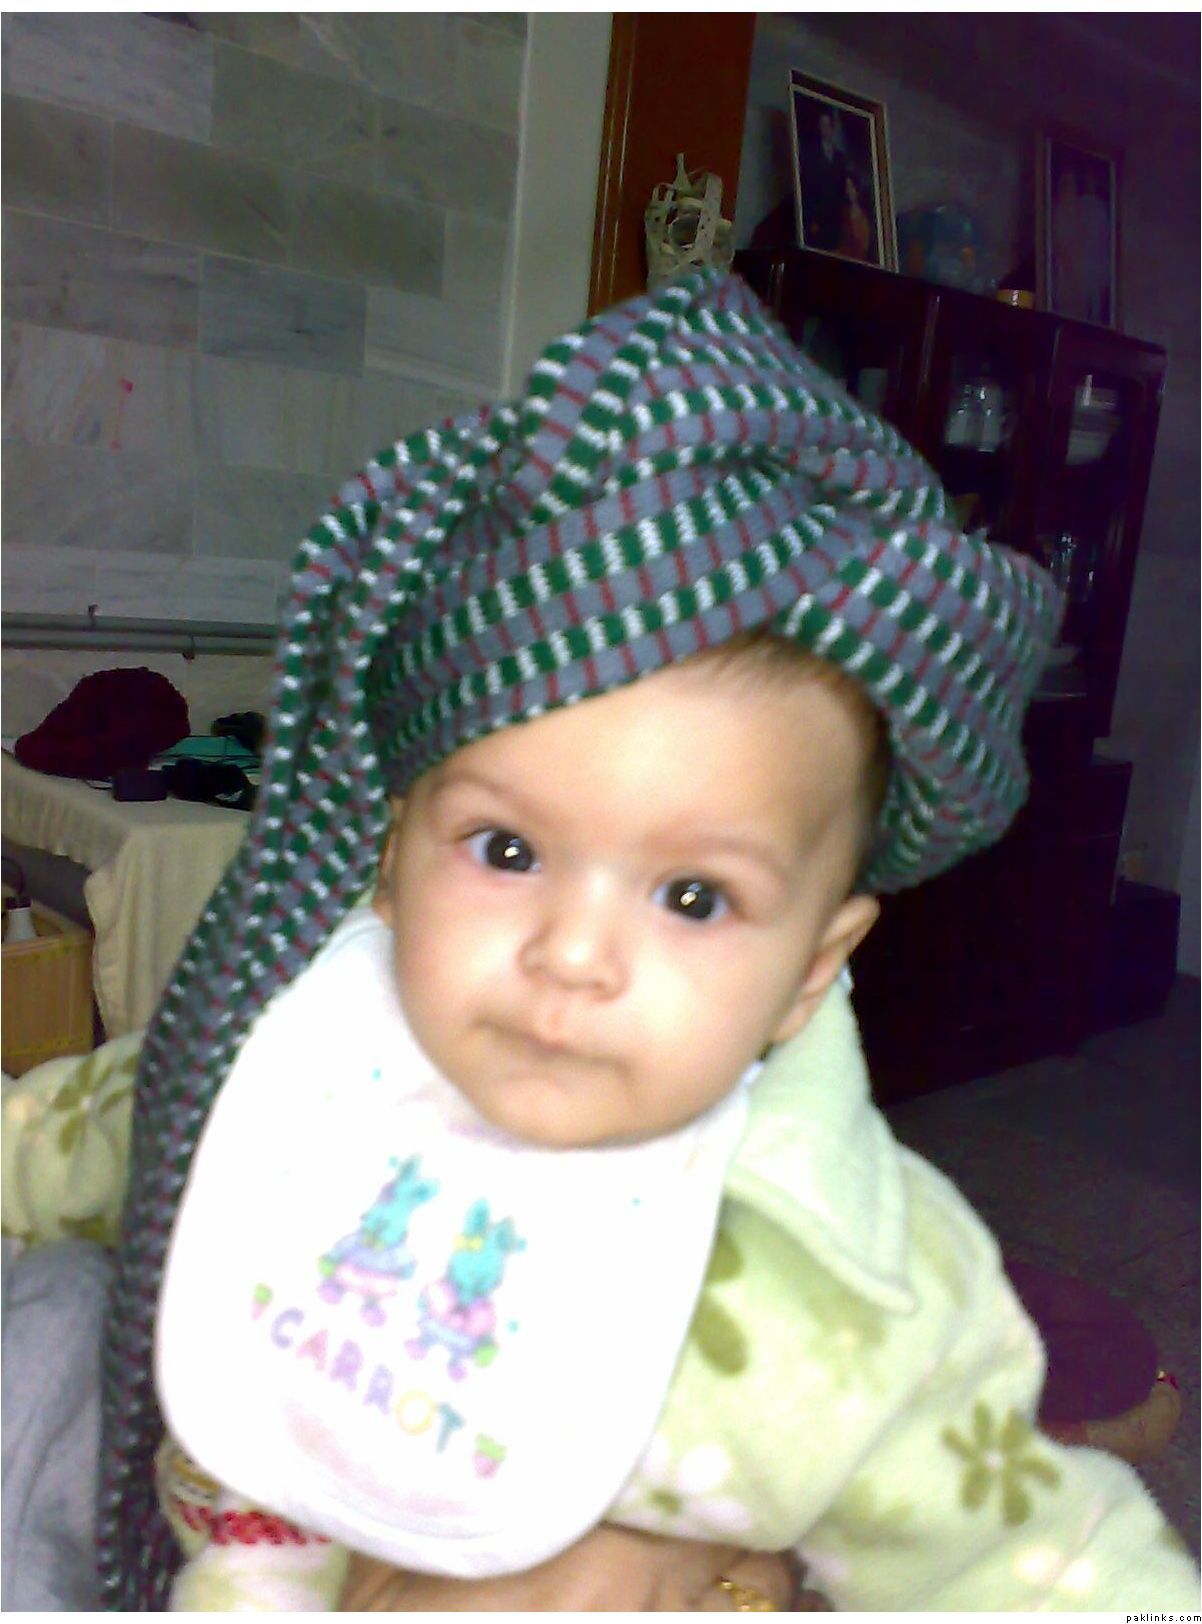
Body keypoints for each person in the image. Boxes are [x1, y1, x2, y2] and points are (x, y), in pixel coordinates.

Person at [88, 271, 1199, 1611]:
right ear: (389, 861)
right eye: (506, 851)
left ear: (810, 970)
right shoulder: (281, 1055)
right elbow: (83, 1128)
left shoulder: (852, 1297)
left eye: (692, 898)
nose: (572, 954)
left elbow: (1036, 1548)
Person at [799, 108, 847, 251]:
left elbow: (841, 188)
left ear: (832, 128)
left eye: (827, 125)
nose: (824, 129)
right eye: (822, 125)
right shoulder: (811, 155)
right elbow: (807, 188)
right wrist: (812, 218)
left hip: (835, 218)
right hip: (817, 218)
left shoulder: (840, 157)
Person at [835, 173, 873, 262]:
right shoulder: (844, 214)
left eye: (851, 187)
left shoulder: (863, 218)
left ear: (856, 189)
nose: (848, 191)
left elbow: (862, 248)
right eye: (846, 188)